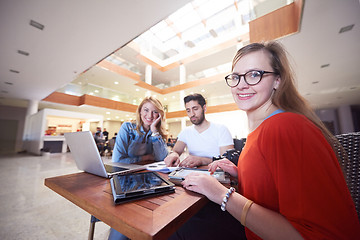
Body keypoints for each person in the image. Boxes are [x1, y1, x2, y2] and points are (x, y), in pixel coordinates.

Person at [170, 41, 360, 239]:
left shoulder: (286, 127)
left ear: (277, 80)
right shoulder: (260, 131)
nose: (242, 84)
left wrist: (222, 194)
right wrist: (241, 175)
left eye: (254, 74)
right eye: (236, 77)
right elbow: (272, 193)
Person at [109, 96, 168, 240]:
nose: (149, 115)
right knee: (126, 223)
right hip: (124, 179)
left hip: (148, 179)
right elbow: (118, 161)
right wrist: (143, 158)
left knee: (152, 221)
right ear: (140, 111)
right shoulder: (127, 128)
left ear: (159, 115)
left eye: (155, 112)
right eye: (146, 110)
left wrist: (154, 130)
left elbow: (162, 159)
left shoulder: (157, 132)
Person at [164, 93, 234, 168]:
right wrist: (174, 154)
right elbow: (175, 151)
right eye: (188, 110)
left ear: (204, 108)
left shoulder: (221, 129)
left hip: (215, 174)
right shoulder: (186, 132)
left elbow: (227, 161)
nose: (192, 114)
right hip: (192, 174)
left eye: (195, 109)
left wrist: (201, 160)